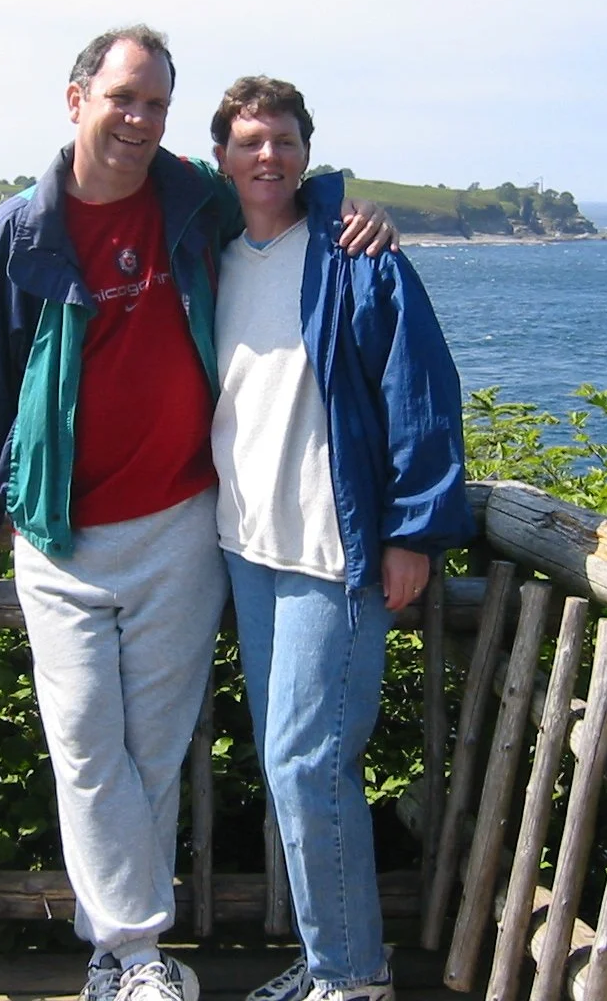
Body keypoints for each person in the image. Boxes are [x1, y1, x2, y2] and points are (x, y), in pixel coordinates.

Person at [0, 26, 394, 1001]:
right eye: (123, 98)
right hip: (59, 534)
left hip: (183, 524)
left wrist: (354, 210)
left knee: (149, 746)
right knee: (88, 747)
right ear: (76, 101)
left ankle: (129, 955)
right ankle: (133, 952)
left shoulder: (190, 201)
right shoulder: (21, 231)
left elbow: (280, 180)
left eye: (155, 103)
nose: (139, 119)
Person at [207, 77, 474, 1001]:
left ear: (307, 151)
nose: (266, 157)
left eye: (282, 140)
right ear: (222, 160)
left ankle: (353, 977)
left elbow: (421, 394)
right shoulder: (214, 257)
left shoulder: (362, 258)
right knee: (293, 763)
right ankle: (335, 961)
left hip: (338, 554)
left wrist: (415, 532)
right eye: (248, 143)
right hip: (248, 547)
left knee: (306, 761)